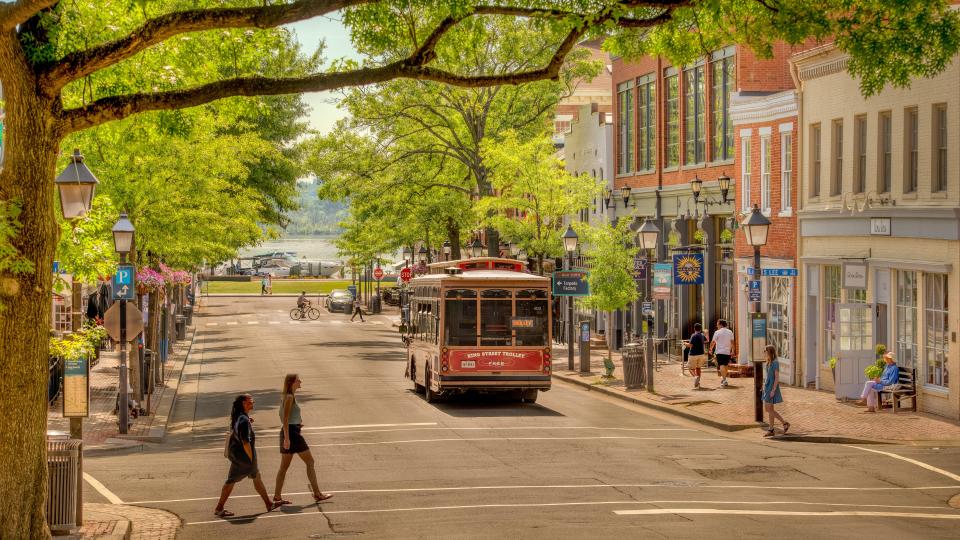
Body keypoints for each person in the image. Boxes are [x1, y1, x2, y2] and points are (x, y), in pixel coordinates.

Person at [214, 394, 283, 517]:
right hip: (244, 457)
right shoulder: (243, 420)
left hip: (239, 456)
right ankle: (219, 508)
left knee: (255, 477)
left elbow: (237, 429)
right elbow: (245, 442)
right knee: (232, 481)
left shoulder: (239, 417)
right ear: (244, 404)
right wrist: (251, 459)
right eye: (251, 401)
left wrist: (247, 421)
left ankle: (268, 503)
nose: (253, 403)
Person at [273, 374, 334, 505]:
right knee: (310, 462)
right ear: (291, 383)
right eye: (298, 380)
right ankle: (317, 494)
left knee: (284, 467)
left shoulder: (286, 396)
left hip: (289, 432)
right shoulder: (289, 397)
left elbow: (287, 417)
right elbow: (285, 418)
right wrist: (288, 438)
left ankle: (277, 497)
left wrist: (297, 423)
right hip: (292, 434)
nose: (300, 381)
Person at [761, 344, 790, 437]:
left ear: (770, 352)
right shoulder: (768, 362)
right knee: (770, 409)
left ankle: (784, 423)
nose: (764, 353)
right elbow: (768, 377)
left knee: (768, 409)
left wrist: (773, 390)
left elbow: (777, 378)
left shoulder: (775, 363)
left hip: (771, 388)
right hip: (767, 387)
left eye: (765, 351)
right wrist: (763, 386)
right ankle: (771, 429)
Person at [710, 319, 736, 387]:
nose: (717, 325)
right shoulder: (730, 332)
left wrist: (710, 349)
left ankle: (724, 380)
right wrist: (733, 351)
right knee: (726, 365)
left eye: (717, 324)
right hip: (727, 351)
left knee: (721, 365)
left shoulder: (717, 332)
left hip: (719, 351)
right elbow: (732, 342)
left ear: (721, 324)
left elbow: (713, 342)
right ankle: (724, 378)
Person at [685, 323, 708, 389]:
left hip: (693, 354)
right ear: (700, 329)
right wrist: (706, 334)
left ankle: (695, 377)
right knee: (698, 368)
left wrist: (685, 343)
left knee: (690, 368)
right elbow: (707, 341)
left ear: (694, 328)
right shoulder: (702, 335)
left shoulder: (693, 335)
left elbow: (690, 345)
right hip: (701, 354)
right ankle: (698, 383)